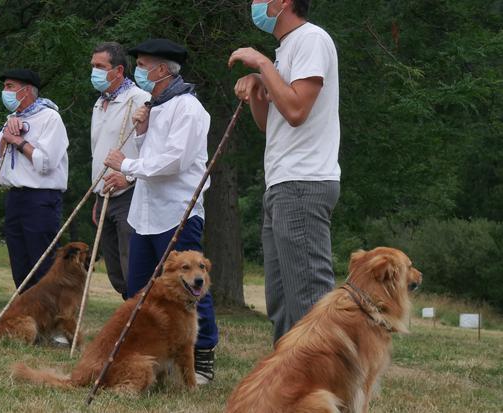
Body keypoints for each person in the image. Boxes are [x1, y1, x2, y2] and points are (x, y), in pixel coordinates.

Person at [104, 38, 219, 384]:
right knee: (140, 289)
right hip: (146, 213)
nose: (139, 70)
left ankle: (203, 358)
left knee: (191, 287)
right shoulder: (157, 105)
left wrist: (127, 165)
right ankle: (151, 355)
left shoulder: (189, 107)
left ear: (163, 70)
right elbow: (154, 153)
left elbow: (175, 160)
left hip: (177, 211)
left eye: (143, 64)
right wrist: (140, 134)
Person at [228, 0, 341, 343]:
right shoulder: (286, 50)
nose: (255, 4)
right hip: (282, 182)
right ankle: (286, 380)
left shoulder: (311, 39)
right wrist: (259, 88)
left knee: (308, 298)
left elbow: (295, 110)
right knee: (282, 302)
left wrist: (260, 63)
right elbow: (270, 124)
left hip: (303, 182)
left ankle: (321, 385)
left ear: (284, 3)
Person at [0, 68, 69, 293]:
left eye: (10, 87)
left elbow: (45, 163)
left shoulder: (50, 117)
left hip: (41, 198)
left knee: (42, 262)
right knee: (20, 262)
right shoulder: (11, 120)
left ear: (26, 91)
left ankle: (49, 315)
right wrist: (7, 136)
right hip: (15, 196)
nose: (4, 92)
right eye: (4, 86)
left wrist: (18, 141)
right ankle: (25, 313)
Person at [89, 42, 151, 300]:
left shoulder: (139, 99)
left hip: (130, 193)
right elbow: (98, 150)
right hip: (103, 193)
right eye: (93, 66)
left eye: (100, 67)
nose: (94, 72)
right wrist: (96, 194)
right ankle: (129, 310)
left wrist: (128, 177)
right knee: (113, 266)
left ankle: (137, 316)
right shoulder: (98, 103)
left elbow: (150, 149)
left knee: (131, 263)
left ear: (118, 70)